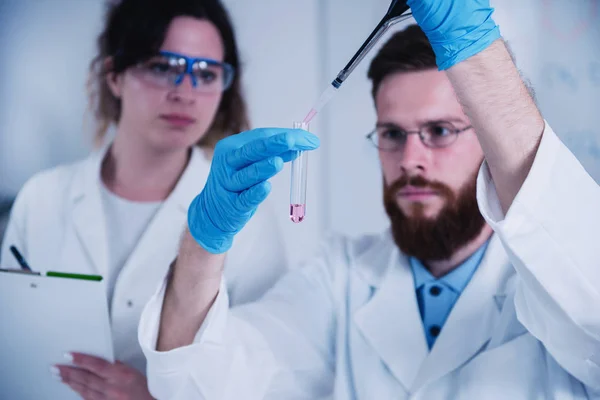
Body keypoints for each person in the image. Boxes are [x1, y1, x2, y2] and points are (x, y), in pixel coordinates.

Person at [138, 0, 600, 398]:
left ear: (488, 141)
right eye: (391, 134)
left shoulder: (552, 279)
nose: (410, 159)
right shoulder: (339, 278)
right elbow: (195, 384)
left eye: (439, 131)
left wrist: (478, 52)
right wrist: (204, 241)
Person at [0, 0, 289, 398]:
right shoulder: (42, 198)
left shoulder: (243, 210)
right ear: (114, 75)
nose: (185, 91)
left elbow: (264, 376)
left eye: (206, 74)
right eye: (161, 66)